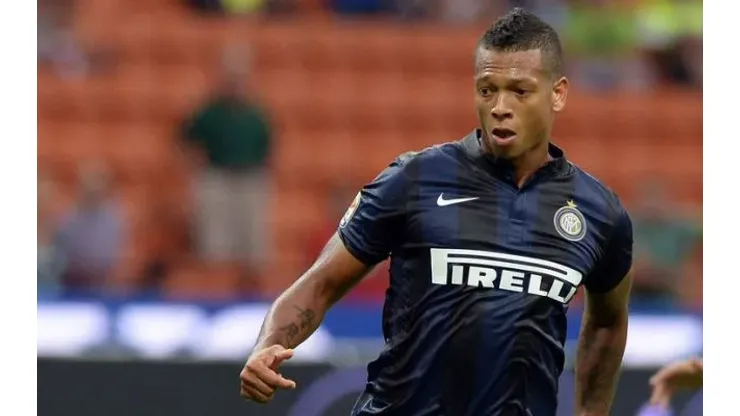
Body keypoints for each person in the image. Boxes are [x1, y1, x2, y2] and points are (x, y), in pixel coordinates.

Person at [240, 8, 633, 415]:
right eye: (487, 90)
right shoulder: (414, 179)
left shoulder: (599, 213)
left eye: (520, 91)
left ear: (558, 93)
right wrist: (269, 344)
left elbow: (608, 322)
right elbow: (320, 283)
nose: (500, 106)